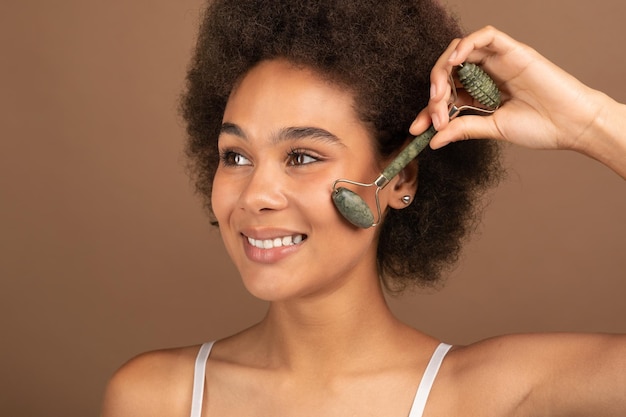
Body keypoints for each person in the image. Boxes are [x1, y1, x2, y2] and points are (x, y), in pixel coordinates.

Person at [101, 1, 626, 416]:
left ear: (399, 179)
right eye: (236, 155)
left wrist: (591, 123)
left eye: (302, 156)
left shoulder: (484, 396)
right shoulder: (153, 399)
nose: (256, 195)